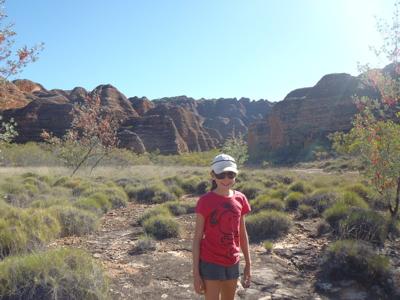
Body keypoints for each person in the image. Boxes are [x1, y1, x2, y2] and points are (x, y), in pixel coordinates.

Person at [192, 153, 251, 300]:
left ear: (235, 175)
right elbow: (197, 238)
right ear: (213, 175)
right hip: (210, 262)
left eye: (230, 174)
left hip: (233, 262)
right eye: (221, 174)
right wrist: (196, 273)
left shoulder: (240, 198)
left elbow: (242, 233)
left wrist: (248, 264)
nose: (226, 179)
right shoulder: (205, 201)